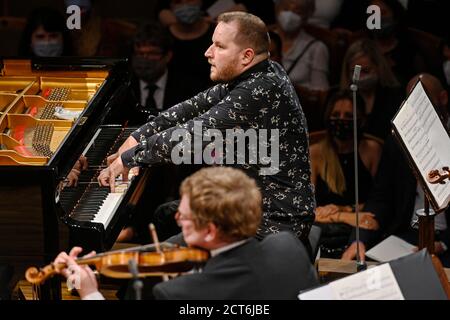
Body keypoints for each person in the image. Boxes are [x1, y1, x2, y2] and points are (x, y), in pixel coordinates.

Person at [98, 12, 316, 254]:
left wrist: (130, 158)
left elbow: (193, 135)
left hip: (272, 221)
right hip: (251, 205)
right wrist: (138, 136)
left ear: (247, 56)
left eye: (219, 46)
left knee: (158, 253)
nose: (208, 52)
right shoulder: (262, 72)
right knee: (164, 216)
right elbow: (190, 108)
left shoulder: (259, 89)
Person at [54, 167, 319, 299]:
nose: (177, 218)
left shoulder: (180, 293)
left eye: (185, 215)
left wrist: (89, 292)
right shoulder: (288, 247)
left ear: (211, 230)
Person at [342, 73, 450, 268]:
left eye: (423, 100)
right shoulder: (398, 141)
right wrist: (359, 240)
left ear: (443, 98)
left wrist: (443, 244)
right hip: (408, 236)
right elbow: (381, 197)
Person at [310, 90, 381, 257]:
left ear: (361, 119)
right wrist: (345, 216)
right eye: (336, 114)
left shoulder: (372, 150)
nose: (341, 119)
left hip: (360, 232)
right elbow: (308, 211)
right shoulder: (315, 152)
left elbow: (378, 201)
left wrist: (344, 209)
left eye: (349, 115)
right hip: (325, 229)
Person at [273, 0, 330, 90]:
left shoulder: (316, 48)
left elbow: (320, 92)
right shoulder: (263, 39)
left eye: (297, 12)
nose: (290, 15)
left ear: (307, 16)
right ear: (277, 8)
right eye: (285, 8)